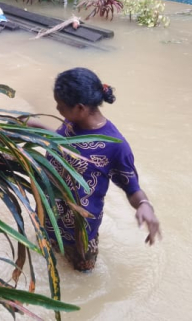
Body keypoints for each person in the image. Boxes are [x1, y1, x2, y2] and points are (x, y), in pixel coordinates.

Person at [27, 67, 161, 271]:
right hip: (49, 214)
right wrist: (36, 127)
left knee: (83, 276)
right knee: (45, 259)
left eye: (61, 106)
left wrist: (144, 205)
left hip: (79, 233)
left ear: (80, 108)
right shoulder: (72, 121)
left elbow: (132, 188)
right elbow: (65, 143)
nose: (57, 108)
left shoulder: (115, 146)